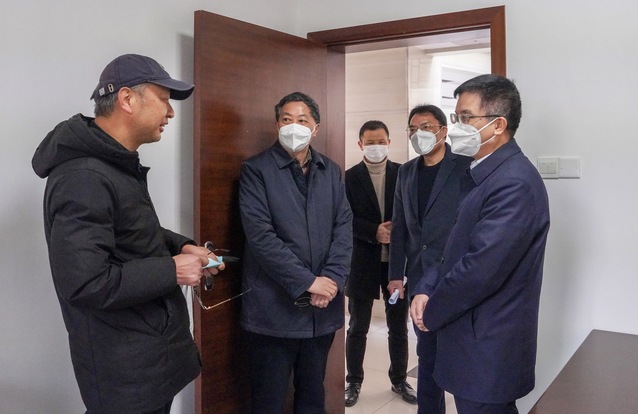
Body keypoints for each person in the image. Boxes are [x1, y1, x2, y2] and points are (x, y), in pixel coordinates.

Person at [31, 54, 224, 414]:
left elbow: (133, 230)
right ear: (127, 99)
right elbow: (85, 283)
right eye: (164, 99)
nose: (170, 112)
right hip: (125, 374)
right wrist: (172, 269)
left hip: (148, 359)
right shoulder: (83, 177)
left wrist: (182, 246)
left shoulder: (115, 164)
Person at [410, 74, 550, 414]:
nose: (457, 127)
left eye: (466, 118)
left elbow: (480, 269)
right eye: (456, 116)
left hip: (488, 344)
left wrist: (432, 312)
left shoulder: (514, 183)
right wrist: (426, 287)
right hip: (469, 337)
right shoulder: (480, 173)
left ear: (498, 124)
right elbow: (451, 246)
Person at [238, 91, 353, 414]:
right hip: (273, 310)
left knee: (313, 396)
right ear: (277, 125)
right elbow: (261, 238)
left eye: (302, 120)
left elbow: (343, 229)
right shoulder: (257, 170)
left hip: (322, 309)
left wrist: (331, 280)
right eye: (287, 120)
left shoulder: (331, 171)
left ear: (315, 128)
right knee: (269, 399)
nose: (294, 126)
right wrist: (308, 282)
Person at [389, 104, 473, 413]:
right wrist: (395, 274)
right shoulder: (406, 171)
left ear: (443, 131)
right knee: (427, 355)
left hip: (456, 275)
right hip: (418, 277)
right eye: (413, 129)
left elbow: (469, 223)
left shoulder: (465, 166)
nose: (418, 134)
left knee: (462, 355)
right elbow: (399, 226)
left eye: (425, 127)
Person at [343, 120, 416, 407]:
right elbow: (343, 218)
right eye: (370, 142)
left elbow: (413, 213)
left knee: (398, 326)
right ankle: (353, 381)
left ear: (389, 142)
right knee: (357, 326)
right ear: (360, 145)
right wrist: (372, 231)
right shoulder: (349, 178)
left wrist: (397, 230)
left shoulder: (404, 173)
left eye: (381, 141)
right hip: (362, 262)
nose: (376, 147)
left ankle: (399, 379)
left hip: (397, 265)